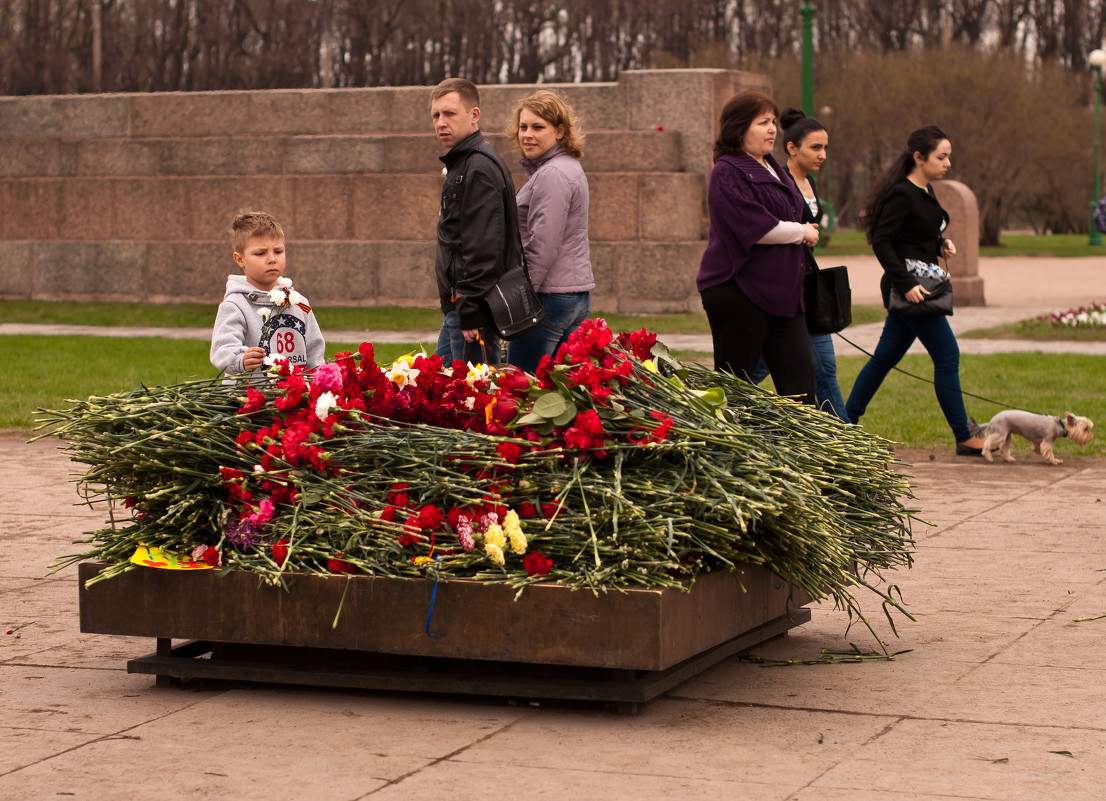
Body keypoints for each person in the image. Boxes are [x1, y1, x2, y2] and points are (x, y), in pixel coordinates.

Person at [844, 125, 988, 455]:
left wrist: (941, 243)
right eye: (942, 156)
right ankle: (964, 435)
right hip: (912, 289)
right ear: (919, 157)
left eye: (949, 156)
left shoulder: (925, 190)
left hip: (919, 286)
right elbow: (883, 242)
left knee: (883, 359)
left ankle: (845, 423)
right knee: (948, 355)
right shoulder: (901, 193)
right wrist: (905, 284)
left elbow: (916, 235)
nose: (948, 162)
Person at [695, 91, 819, 405]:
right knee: (733, 392)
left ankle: (802, 452)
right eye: (762, 122)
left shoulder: (771, 165)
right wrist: (800, 231)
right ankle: (721, 450)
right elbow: (758, 228)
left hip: (783, 293)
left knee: (802, 388)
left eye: (773, 122)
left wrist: (804, 227)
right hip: (738, 290)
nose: (772, 129)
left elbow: (792, 210)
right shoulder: (727, 171)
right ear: (739, 129)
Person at [750, 108, 847, 419]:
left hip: (807, 286)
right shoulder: (780, 180)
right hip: (783, 289)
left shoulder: (810, 182)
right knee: (756, 369)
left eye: (825, 148)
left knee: (825, 369)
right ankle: (719, 409)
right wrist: (800, 233)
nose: (822, 155)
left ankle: (844, 436)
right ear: (792, 148)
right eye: (815, 148)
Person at [430, 77, 523, 366]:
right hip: (460, 310)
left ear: (474, 116)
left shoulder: (478, 166)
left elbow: (482, 247)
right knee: (436, 392)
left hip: (471, 314)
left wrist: (470, 309)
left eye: (450, 113)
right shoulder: (466, 162)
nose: (441, 123)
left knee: (468, 402)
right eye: (436, 115)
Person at [504, 89, 595, 373]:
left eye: (537, 127)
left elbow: (543, 244)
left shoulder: (553, 174)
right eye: (523, 127)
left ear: (560, 131)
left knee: (522, 391)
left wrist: (519, 299)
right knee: (560, 395)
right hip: (570, 295)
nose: (527, 134)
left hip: (548, 298)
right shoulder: (565, 167)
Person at [210, 210, 324, 376]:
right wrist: (239, 360)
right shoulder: (234, 305)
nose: (272, 259)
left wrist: (317, 382)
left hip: (294, 396)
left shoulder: (300, 303)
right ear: (240, 259)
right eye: (260, 253)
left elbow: (314, 348)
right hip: (249, 397)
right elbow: (222, 349)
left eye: (278, 251)